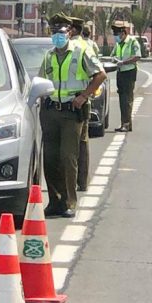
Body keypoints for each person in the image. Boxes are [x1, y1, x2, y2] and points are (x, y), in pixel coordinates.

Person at [39, 13, 106, 217]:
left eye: (60, 32)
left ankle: (69, 202)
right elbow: (41, 80)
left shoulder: (80, 52)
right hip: (51, 111)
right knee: (50, 158)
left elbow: (100, 74)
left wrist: (84, 96)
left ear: (69, 32)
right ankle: (55, 201)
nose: (57, 36)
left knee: (68, 157)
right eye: (53, 32)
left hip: (72, 112)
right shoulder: (49, 55)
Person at [69, 16, 90, 192]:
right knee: (81, 143)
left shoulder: (78, 47)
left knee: (75, 146)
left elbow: (99, 74)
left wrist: (83, 96)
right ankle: (81, 182)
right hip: (79, 100)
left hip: (76, 101)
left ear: (73, 30)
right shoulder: (87, 45)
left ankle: (77, 182)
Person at [111, 20, 141, 132]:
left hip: (129, 72)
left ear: (123, 33)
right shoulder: (118, 43)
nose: (116, 37)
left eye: (117, 34)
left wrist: (123, 62)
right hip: (120, 72)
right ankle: (125, 123)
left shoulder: (132, 41)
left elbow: (137, 56)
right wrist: (114, 59)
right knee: (122, 99)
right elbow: (113, 54)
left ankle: (126, 123)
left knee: (127, 99)